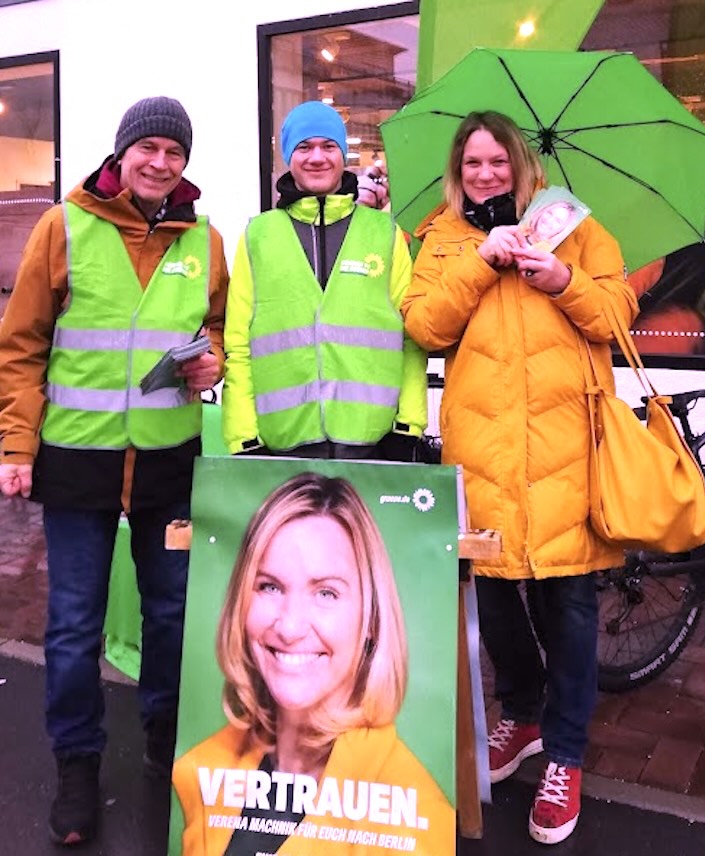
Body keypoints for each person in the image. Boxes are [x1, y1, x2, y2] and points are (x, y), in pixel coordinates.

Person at [401, 111, 638, 845]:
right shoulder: (442, 237)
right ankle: (524, 714)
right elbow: (423, 325)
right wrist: (482, 260)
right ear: (457, 170)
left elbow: (617, 313)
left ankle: (564, 755)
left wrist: (563, 277)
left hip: (566, 446)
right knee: (497, 596)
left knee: (568, 600)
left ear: (520, 164)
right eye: (472, 163)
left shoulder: (573, 224)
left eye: (497, 161)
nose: (485, 175)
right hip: (485, 449)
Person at [0, 96, 229, 846]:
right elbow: (22, 344)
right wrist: (14, 445)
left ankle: (165, 744)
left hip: (168, 463)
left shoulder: (206, 240)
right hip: (78, 460)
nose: (161, 163)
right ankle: (75, 765)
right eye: (150, 149)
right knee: (72, 626)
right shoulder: (62, 228)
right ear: (121, 153)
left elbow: (218, 328)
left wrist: (214, 363)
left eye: (175, 152)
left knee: (171, 616)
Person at [172, 471, 455, 855]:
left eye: (326, 593)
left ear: (371, 620)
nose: (289, 627)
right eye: (269, 586)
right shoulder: (202, 773)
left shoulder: (421, 821)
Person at [222, 101, 427, 462]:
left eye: (328, 146)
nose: (317, 157)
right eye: (304, 147)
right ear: (289, 156)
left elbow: (411, 338)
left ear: (343, 154)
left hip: (372, 442)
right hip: (282, 441)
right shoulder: (258, 236)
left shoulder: (385, 233)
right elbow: (238, 344)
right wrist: (243, 435)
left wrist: (408, 425)